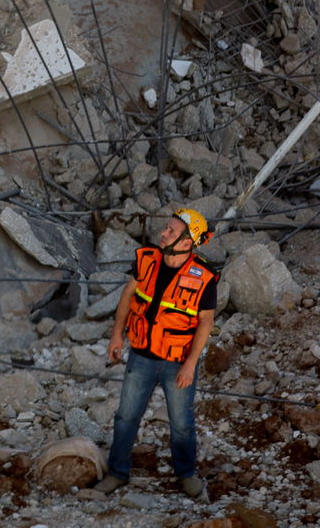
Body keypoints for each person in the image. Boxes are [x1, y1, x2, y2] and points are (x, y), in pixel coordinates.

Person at [93, 207, 217, 500]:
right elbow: (127, 296)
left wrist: (190, 364)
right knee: (125, 416)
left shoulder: (204, 278)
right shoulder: (147, 259)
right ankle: (117, 473)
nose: (163, 234)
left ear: (187, 242)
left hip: (177, 362)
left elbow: (205, 324)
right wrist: (116, 334)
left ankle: (186, 474)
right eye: (166, 229)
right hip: (141, 355)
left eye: (171, 232)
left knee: (182, 423)